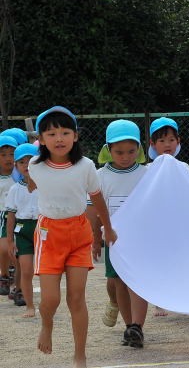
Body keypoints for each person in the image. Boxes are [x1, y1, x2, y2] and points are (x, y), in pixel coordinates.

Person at [28, 106, 117, 368]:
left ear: (75, 136)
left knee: (76, 297)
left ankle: (80, 355)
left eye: (65, 132)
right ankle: (47, 325)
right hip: (49, 234)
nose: (59, 138)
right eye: (51, 133)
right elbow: (31, 182)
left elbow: (97, 199)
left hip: (79, 233)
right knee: (50, 300)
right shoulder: (35, 165)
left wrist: (107, 229)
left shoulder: (86, 166)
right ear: (41, 139)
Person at [89, 120, 149, 348]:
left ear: (139, 149)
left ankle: (137, 326)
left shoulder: (147, 173)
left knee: (137, 283)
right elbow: (93, 212)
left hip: (140, 240)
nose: (125, 156)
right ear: (108, 150)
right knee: (119, 283)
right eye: (119, 152)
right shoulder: (99, 176)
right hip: (113, 241)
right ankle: (128, 326)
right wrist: (95, 240)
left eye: (131, 151)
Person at [148, 117, 181, 317]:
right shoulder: (148, 170)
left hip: (175, 224)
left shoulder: (183, 168)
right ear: (153, 144)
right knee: (156, 262)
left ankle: (173, 297)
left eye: (170, 139)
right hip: (154, 226)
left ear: (178, 141)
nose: (167, 144)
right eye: (161, 140)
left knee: (173, 261)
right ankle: (158, 300)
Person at [5, 143, 40, 315]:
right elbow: (10, 216)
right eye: (22, 162)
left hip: (43, 229)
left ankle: (49, 301)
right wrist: (10, 240)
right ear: (16, 166)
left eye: (31, 160)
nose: (26, 165)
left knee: (49, 270)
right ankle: (30, 306)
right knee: (26, 270)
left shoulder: (46, 185)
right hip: (23, 230)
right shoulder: (14, 189)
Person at [0, 135, 18, 296]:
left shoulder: (20, 175)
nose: (8, 158)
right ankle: (4, 276)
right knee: (4, 249)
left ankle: (17, 284)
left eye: (12, 154)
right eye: (3, 154)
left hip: (19, 216)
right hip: (2, 216)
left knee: (19, 251)